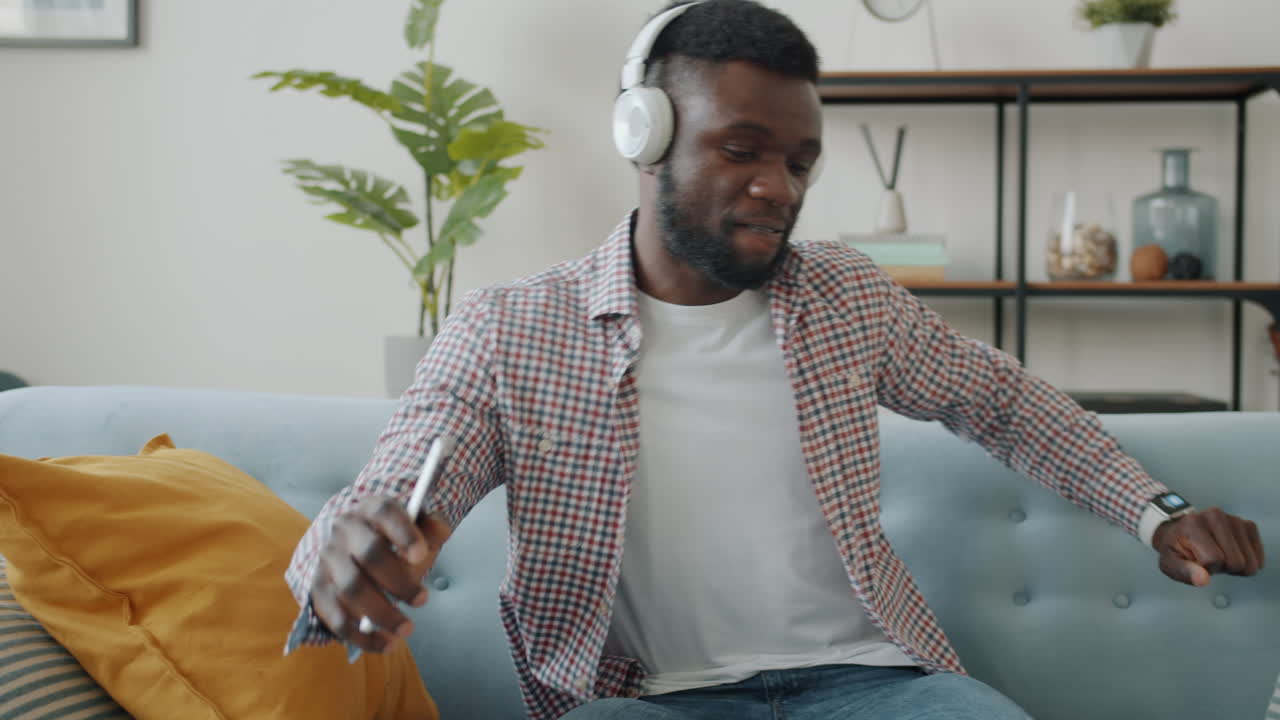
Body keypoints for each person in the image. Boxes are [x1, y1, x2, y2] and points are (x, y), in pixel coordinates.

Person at [282, 2, 1266, 718]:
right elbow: (403, 484)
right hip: (647, 703)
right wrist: (343, 554)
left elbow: (997, 401)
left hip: (874, 687)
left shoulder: (843, 297)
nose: (774, 187)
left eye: (797, 162)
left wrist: (1155, 511)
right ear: (646, 136)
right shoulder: (512, 331)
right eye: (740, 150)